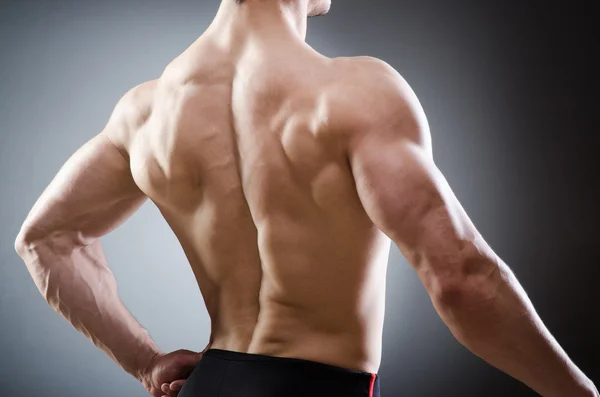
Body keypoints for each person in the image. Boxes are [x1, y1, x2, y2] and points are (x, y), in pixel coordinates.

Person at [14, 1, 598, 396]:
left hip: (215, 385)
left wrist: (146, 362)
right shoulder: (354, 94)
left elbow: (44, 240)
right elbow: (461, 276)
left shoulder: (144, 113)